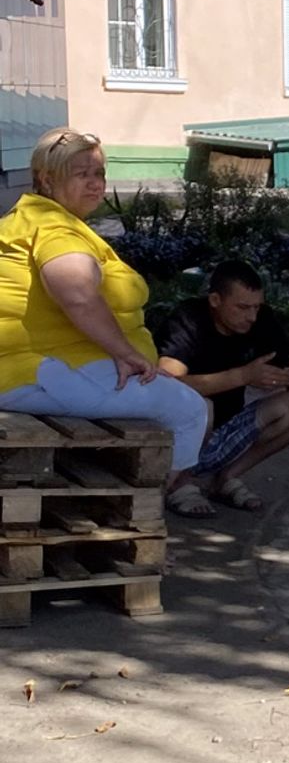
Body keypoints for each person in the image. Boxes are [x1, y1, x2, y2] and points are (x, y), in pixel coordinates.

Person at [0, 128, 210, 501]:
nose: (96, 183)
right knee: (189, 410)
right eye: (82, 174)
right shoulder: (55, 229)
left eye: (99, 173)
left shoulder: (30, 218)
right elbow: (77, 294)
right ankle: (154, 502)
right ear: (46, 179)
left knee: (178, 401)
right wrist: (127, 354)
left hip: (42, 371)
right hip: (46, 373)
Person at [153, 259, 289, 515]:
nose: (251, 316)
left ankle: (225, 478)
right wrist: (242, 376)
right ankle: (180, 484)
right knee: (201, 407)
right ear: (215, 300)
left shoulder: (261, 321)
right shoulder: (188, 319)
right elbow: (167, 385)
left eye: (256, 307)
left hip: (226, 431)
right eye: (242, 307)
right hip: (177, 437)